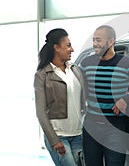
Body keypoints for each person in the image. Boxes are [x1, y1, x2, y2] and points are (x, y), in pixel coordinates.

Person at [80, 25, 129, 166]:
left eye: (98, 40)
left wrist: (128, 99)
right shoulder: (86, 64)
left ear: (111, 42)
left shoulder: (127, 63)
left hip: (115, 128)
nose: (94, 44)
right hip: (91, 127)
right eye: (93, 40)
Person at [34, 28, 86, 166]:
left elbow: (84, 102)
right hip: (59, 137)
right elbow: (40, 112)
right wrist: (54, 140)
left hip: (78, 135)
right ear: (56, 47)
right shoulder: (42, 75)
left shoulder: (75, 70)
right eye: (68, 45)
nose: (72, 49)